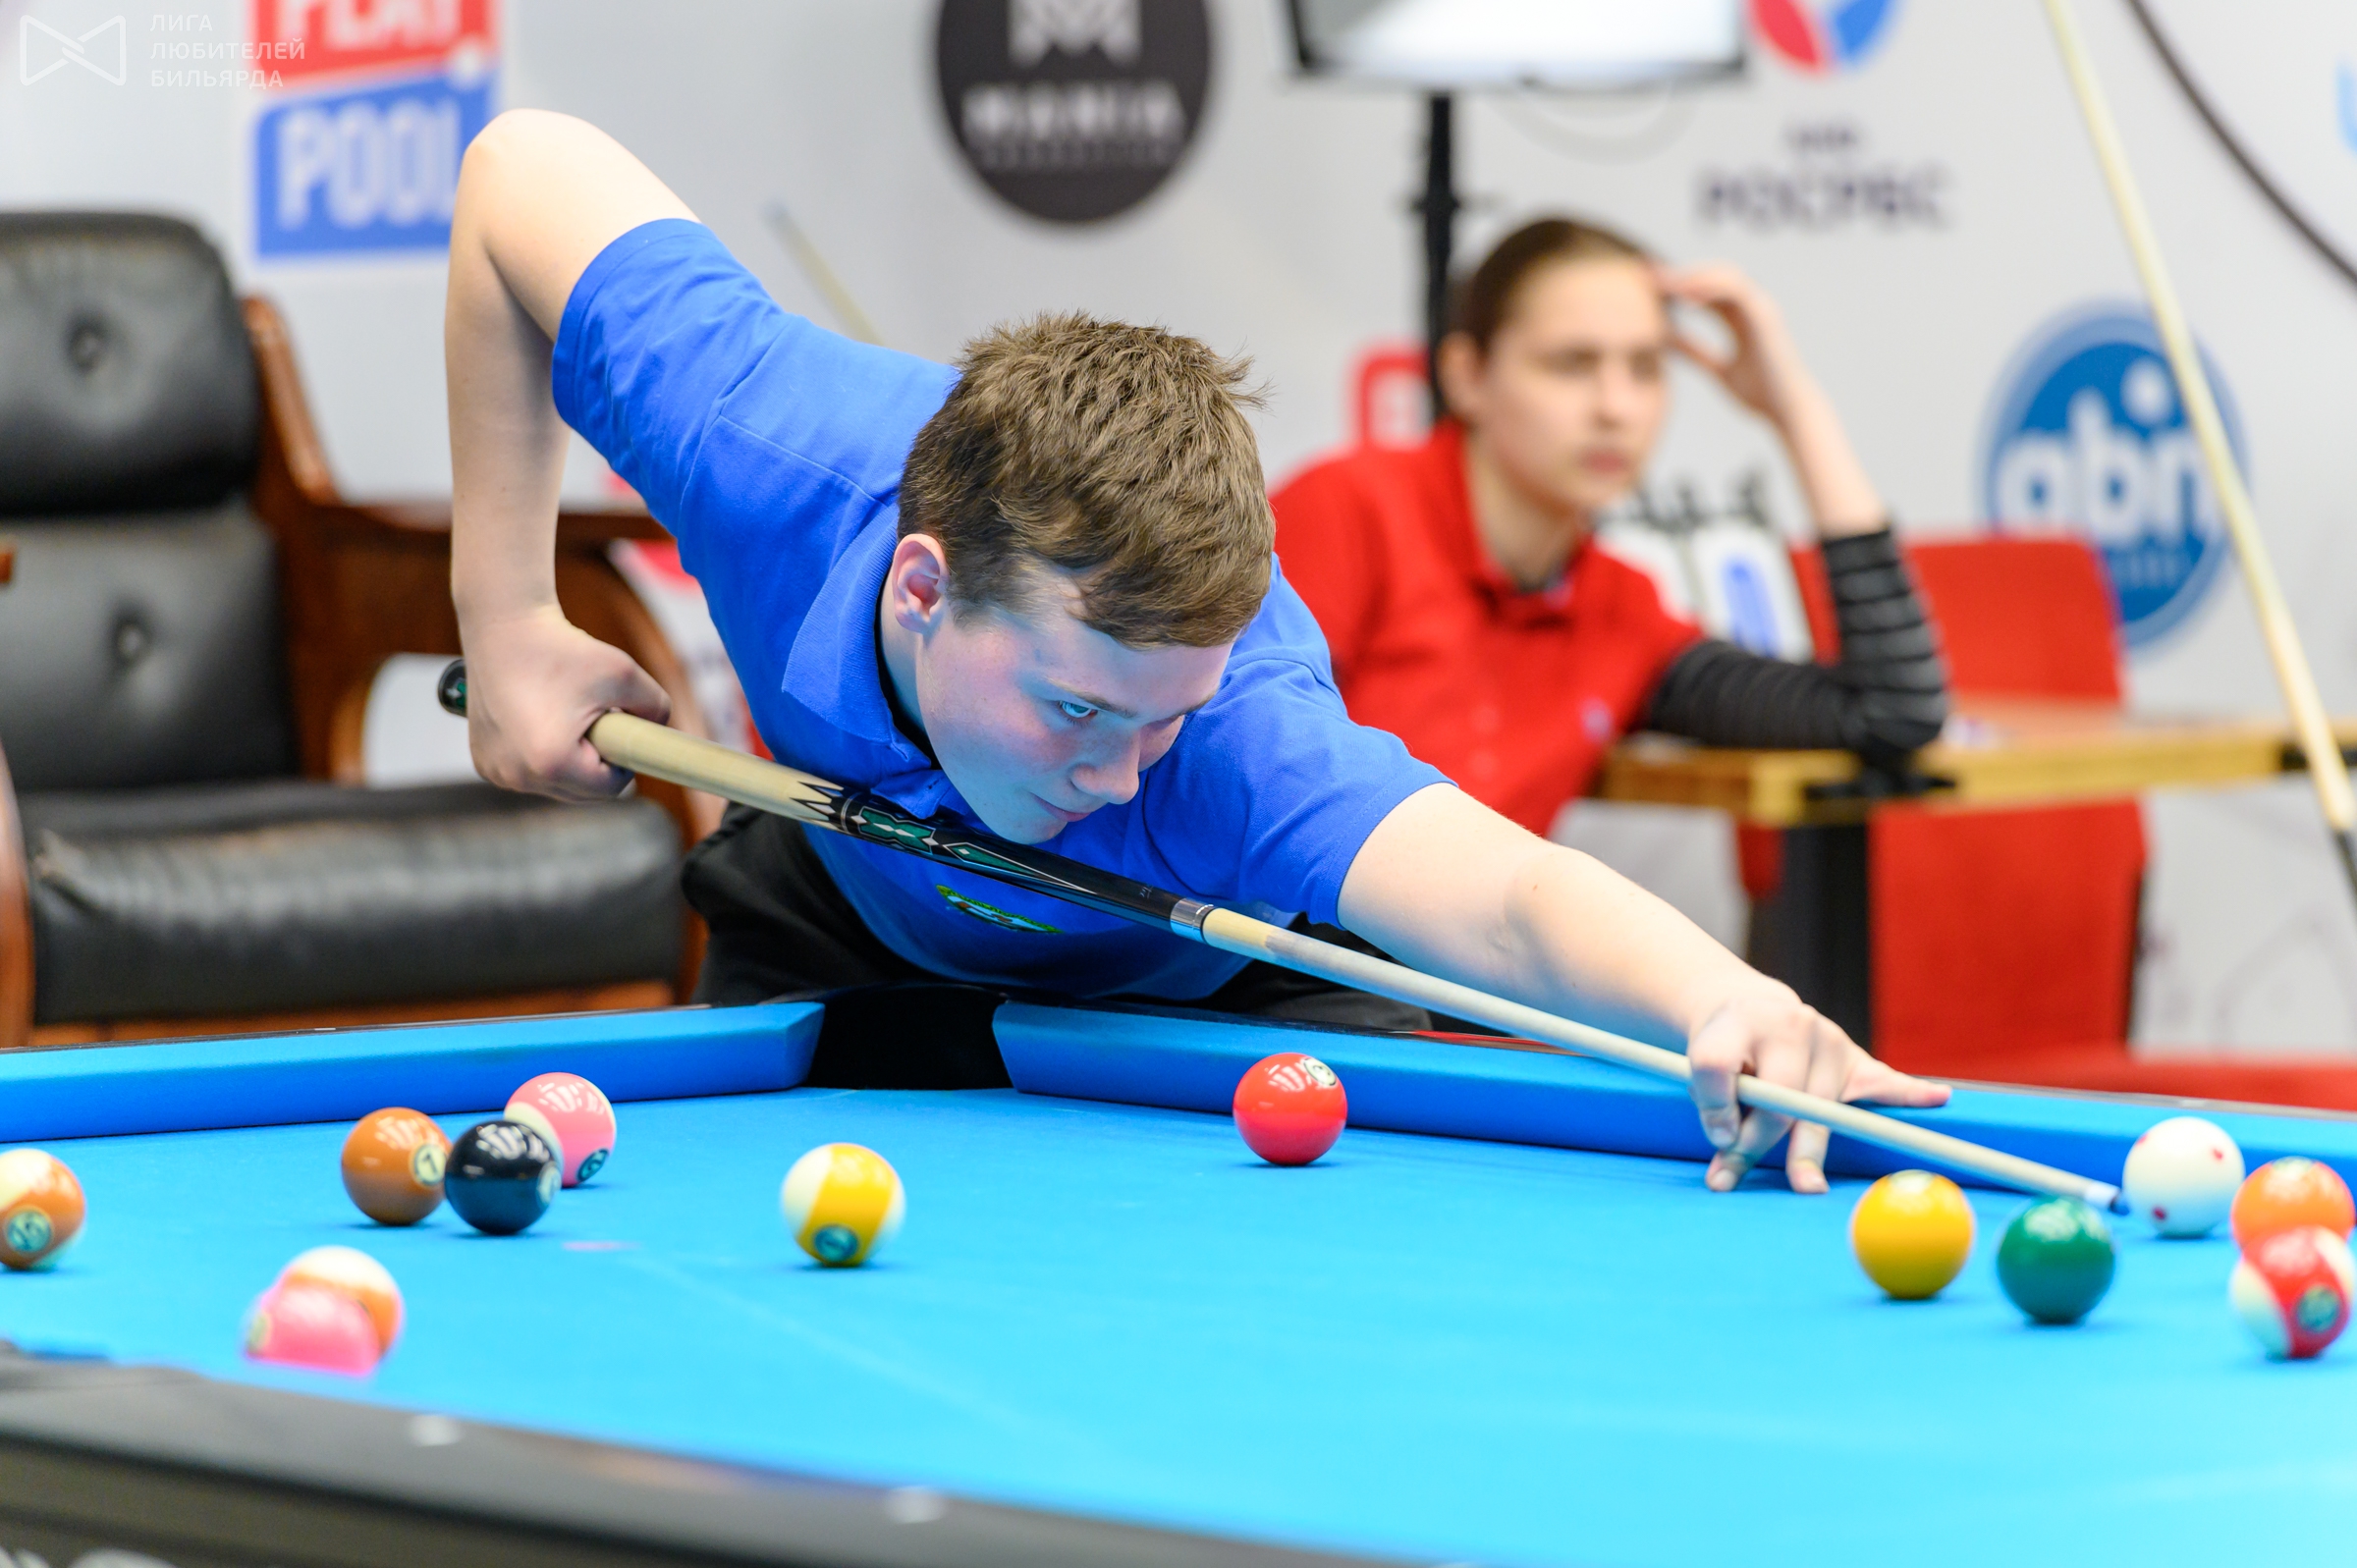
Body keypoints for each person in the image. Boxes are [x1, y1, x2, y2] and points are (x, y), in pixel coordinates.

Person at [445, 111, 1946, 1195]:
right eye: (1075, 709)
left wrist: (1719, 996)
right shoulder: (766, 442)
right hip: (850, 928)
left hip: (1224, 998)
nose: (1119, 775)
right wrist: (506, 621)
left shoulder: (1238, 738)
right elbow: (521, 168)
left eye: (1162, 721)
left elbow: (1507, 900)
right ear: (923, 587)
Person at [1272, 218, 1948, 836]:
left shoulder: (1623, 610)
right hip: (1267, 934)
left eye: (1646, 368)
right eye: (1573, 364)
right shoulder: (1346, 509)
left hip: (1467, 938)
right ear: (1466, 376)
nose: (1616, 408)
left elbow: (1892, 710)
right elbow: (1238, 772)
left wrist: (1794, 408)